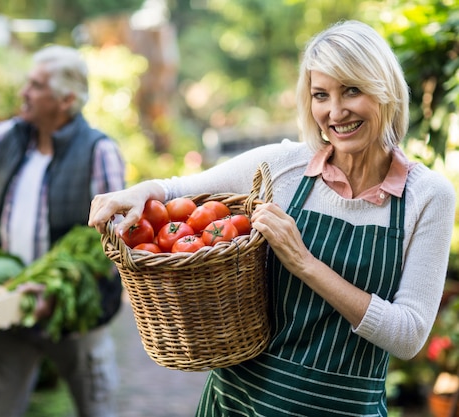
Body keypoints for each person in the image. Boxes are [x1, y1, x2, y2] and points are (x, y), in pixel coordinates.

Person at [88, 20, 456, 416]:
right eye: (320, 94)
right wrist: (136, 193)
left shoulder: (426, 196)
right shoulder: (284, 168)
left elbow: (408, 335)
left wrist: (304, 263)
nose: (335, 111)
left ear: (384, 91)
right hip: (238, 402)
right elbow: (176, 189)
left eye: (352, 89)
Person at [0, 45, 125, 417]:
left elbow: (112, 239)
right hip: (10, 305)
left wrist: (58, 291)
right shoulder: (14, 137)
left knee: (97, 409)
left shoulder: (99, 150)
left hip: (74, 315)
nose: (23, 93)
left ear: (66, 100)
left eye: (36, 85)